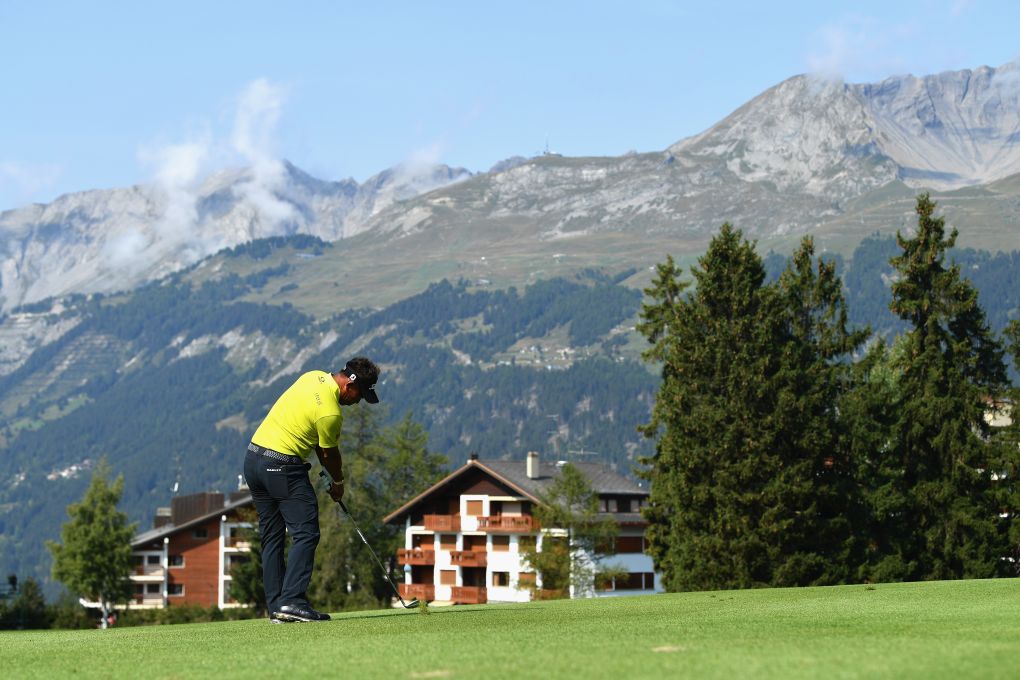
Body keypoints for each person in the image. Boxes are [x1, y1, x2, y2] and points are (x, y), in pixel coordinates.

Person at [243, 357, 380, 623]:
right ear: (349, 385)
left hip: (253, 460)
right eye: (360, 395)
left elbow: (316, 440)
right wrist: (338, 483)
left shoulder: (312, 376)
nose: (357, 402)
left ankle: (277, 608)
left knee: (271, 535)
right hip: (282, 465)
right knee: (305, 532)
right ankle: (292, 601)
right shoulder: (331, 413)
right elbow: (329, 454)